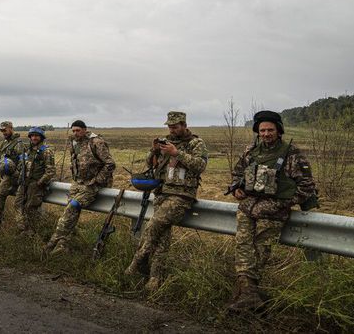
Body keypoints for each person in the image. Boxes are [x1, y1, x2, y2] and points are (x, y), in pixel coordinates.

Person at [226, 110, 317, 312]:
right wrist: (237, 189)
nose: (266, 134)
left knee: (260, 251)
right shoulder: (251, 151)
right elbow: (237, 173)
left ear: (279, 130)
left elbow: (307, 186)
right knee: (242, 248)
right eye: (263, 130)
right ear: (257, 131)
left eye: (270, 130)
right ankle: (250, 297)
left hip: (273, 212)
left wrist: (283, 202)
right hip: (247, 208)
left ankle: (246, 296)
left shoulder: (292, 154)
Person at [124, 111, 208, 292]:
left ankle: (136, 262)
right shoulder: (166, 142)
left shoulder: (196, 143)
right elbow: (150, 164)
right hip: (162, 193)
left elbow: (200, 166)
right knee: (162, 238)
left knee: (153, 225)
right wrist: (154, 150)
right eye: (169, 126)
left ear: (184, 125)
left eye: (175, 127)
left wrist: (177, 153)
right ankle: (155, 279)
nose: (172, 130)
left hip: (182, 195)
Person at [44, 120, 115, 255]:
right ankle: (63, 245)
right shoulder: (74, 142)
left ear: (84, 129)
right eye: (74, 131)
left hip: (91, 185)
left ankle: (52, 243)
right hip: (77, 183)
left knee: (72, 207)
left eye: (78, 130)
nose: (75, 133)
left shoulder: (96, 142)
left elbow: (110, 164)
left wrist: (97, 181)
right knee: (70, 213)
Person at [14, 127, 55, 233]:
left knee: (30, 209)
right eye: (32, 136)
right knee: (18, 205)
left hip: (35, 184)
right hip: (24, 182)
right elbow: (23, 165)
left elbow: (50, 171)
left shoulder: (46, 151)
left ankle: (33, 232)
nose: (34, 138)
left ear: (41, 137)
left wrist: (39, 183)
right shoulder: (28, 150)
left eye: (36, 136)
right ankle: (23, 229)